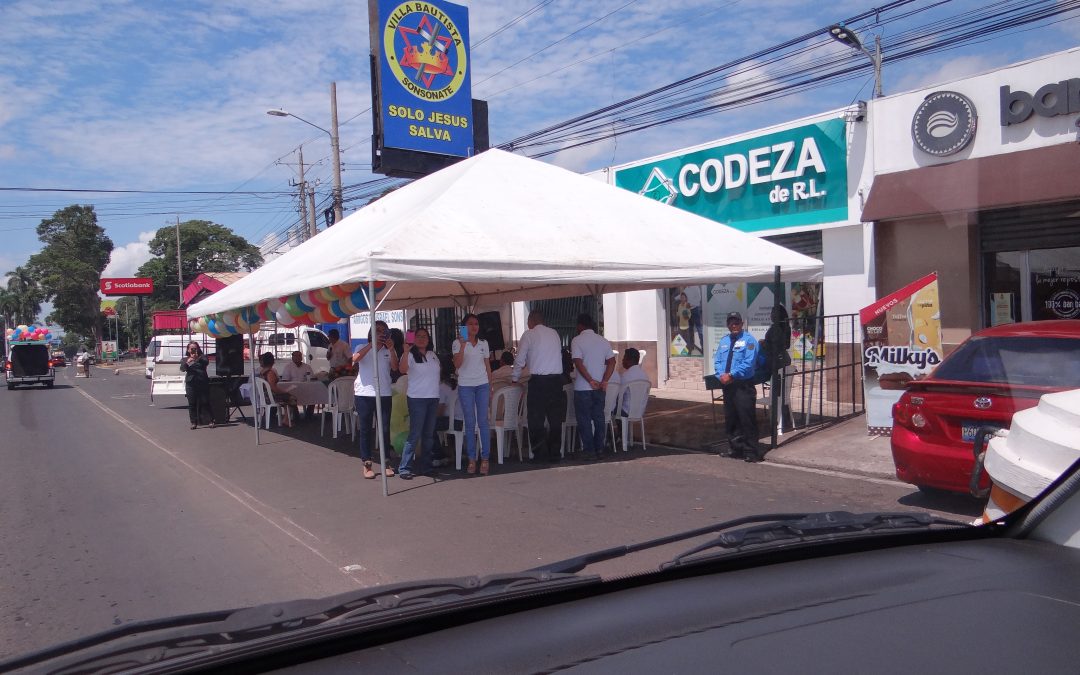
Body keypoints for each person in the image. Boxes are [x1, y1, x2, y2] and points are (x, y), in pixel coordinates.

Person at [512, 309, 566, 463]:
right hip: (556, 381)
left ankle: (540, 454)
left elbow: (520, 360)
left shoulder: (529, 335)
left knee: (536, 419)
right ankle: (555, 453)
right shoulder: (554, 333)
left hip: (539, 382)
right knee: (555, 419)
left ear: (531, 321)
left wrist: (515, 378)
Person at [713, 312, 762, 463]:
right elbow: (718, 360)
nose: (734, 326)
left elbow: (749, 363)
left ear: (742, 324)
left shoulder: (749, 341)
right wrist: (721, 375)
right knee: (731, 418)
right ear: (728, 325)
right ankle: (735, 449)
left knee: (746, 419)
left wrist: (732, 374)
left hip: (743, 385)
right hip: (727, 385)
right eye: (731, 323)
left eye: (737, 323)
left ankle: (752, 452)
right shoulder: (724, 341)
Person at [353, 321, 398, 479]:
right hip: (364, 393)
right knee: (365, 429)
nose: (380, 333)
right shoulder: (361, 347)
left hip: (384, 393)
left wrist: (391, 349)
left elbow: (395, 367)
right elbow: (355, 358)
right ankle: (367, 463)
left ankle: (386, 462)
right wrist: (371, 345)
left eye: (383, 331)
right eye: (377, 330)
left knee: (384, 429)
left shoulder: (387, 350)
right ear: (371, 332)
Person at [570, 314, 616, 461]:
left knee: (584, 420)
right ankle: (600, 449)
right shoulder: (603, 341)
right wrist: (605, 381)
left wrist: (590, 380)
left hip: (583, 387)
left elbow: (578, 362)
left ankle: (589, 450)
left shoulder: (577, 340)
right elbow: (612, 362)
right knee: (598, 418)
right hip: (600, 388)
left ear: (580, 326)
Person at [397, 328, 440, 479]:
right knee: (415, 434)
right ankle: (404, 468)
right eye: (418, 336)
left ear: (429, 339)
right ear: (413, 339)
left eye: (425, 336)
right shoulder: (409, 355)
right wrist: (406, 351)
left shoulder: (432, 355)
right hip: (417, 399)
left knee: (428, 435)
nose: (422, 339)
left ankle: (426, 466)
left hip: (433, 398)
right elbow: (402, 369)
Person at [453, 313, 493, 475]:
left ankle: (485, 458)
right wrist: (463, 345)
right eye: (470, 324)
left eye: (476, 324)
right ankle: (471, 459)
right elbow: (457, 364)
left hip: (482, 384)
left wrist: (490, 386)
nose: (474, 326)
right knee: (470, 423)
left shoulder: (484, 343)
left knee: (483, 421)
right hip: (466, 386)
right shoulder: (457, 343)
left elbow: (487, 366)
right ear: (464, 326)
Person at [180, 341, 213, 430]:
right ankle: (193, 422)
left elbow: (206, 362)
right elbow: (182, 369)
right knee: (192, 403)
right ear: (188, 349)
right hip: (191, 383)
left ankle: (210, 420)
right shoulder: (185, 359)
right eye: (192, 348)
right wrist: (188, 362)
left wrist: (197, 357)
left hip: (202, 382)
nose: (193, 350)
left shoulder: (202, 357)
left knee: (205, 402)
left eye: (195, 348)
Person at [257, 352, 295, 427]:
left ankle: (286, 418)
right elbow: (273, 388)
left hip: (265, 396)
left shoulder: (262, 372)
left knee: (287, 396)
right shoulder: (270, 373)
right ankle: (286, 419)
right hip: (271, 397)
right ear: (272, 361)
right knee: (292, 398)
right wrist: (284, 391)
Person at [281, 350, 316, 421]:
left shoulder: (307, 366)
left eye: (299, 356)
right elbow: (285, 381)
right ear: (292, 358)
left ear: (301, 357)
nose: (297, 358)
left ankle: (309, 416)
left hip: (305, 389)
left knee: (314, 396)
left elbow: (312, 379)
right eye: (295, 356)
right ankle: (295, 416)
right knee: (290, 397)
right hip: (292, 390)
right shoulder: (288, 367)